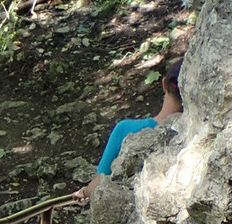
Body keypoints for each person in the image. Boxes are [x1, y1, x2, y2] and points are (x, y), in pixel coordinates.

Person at [72, 58, 183, 201]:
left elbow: (102, 180)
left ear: (164, 84)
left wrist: (85, 191)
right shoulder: (196, 136)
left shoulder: (125, 130)